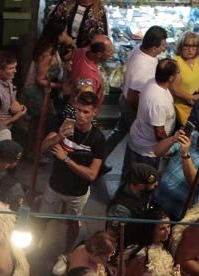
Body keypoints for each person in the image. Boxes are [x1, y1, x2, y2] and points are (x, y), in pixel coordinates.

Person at [38, 91, 105, 253]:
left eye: (86, 112)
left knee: (72, 222)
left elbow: (91, 174)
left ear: (95, 112)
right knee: (42, 217)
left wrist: (66, 158)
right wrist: (59, 137)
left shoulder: (97, 138)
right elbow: (42, 148)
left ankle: (67, 252)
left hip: (77, 192)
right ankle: (36, 243)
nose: (80, 115)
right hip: (55, 185)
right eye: (78, 110)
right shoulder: (65, 125)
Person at [106, 26, 167, 158]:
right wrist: (143, 113)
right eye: (162, 45)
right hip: (131, 107)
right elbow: (134, 97)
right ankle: (128, 172)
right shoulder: (144, 66)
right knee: (136, 140)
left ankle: (99, 158)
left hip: (125, 99)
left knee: (118, 132)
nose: (164, 48)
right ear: (154, 48)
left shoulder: (139, 49)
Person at [151, 115, 199, 220]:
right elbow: (157, 151)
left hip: (180, 212)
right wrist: (172, 139)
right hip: (159, 199)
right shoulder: (191, 136)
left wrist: (185, 155)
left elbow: (194, 181)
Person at [125, 58, 179, 175]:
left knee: (130, 176)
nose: (179, 75)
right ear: (171, 78)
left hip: (139, 139)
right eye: (177, 73)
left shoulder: (153, 82)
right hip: (147, 150)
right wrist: (167, 146)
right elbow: (159, 132)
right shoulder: (158, 101)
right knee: (142, 180)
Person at [22, 20, 70, 139]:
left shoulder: (52, 48)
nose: (66, 35)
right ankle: (36, 151)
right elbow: (40, 79)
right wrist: (59, 86)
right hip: (37, 94)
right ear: (57, 35)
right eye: (64, 32)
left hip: (44, 93)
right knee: (41, 124)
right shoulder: (47, 53)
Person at [0, 51, 27, 125]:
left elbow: (12, 94)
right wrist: (15, 118)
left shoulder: (5, 76)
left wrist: (15, 103)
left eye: (15, 67)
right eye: (11, 68)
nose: (15, 71)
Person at [172, 32, 199, 125]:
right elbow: (175, 89)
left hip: (195, 104)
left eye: (194, 47)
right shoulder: (176, 62)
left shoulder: (196, 59)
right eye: (186, 46)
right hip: (180, 108)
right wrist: (192, 98)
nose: (190, 50)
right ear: (180, 46)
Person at [70, 34, 113, 106]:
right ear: (99, 54)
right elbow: (86, 106)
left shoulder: (81, 51)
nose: (112, 53)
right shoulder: (88, 77)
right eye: (109, 51)